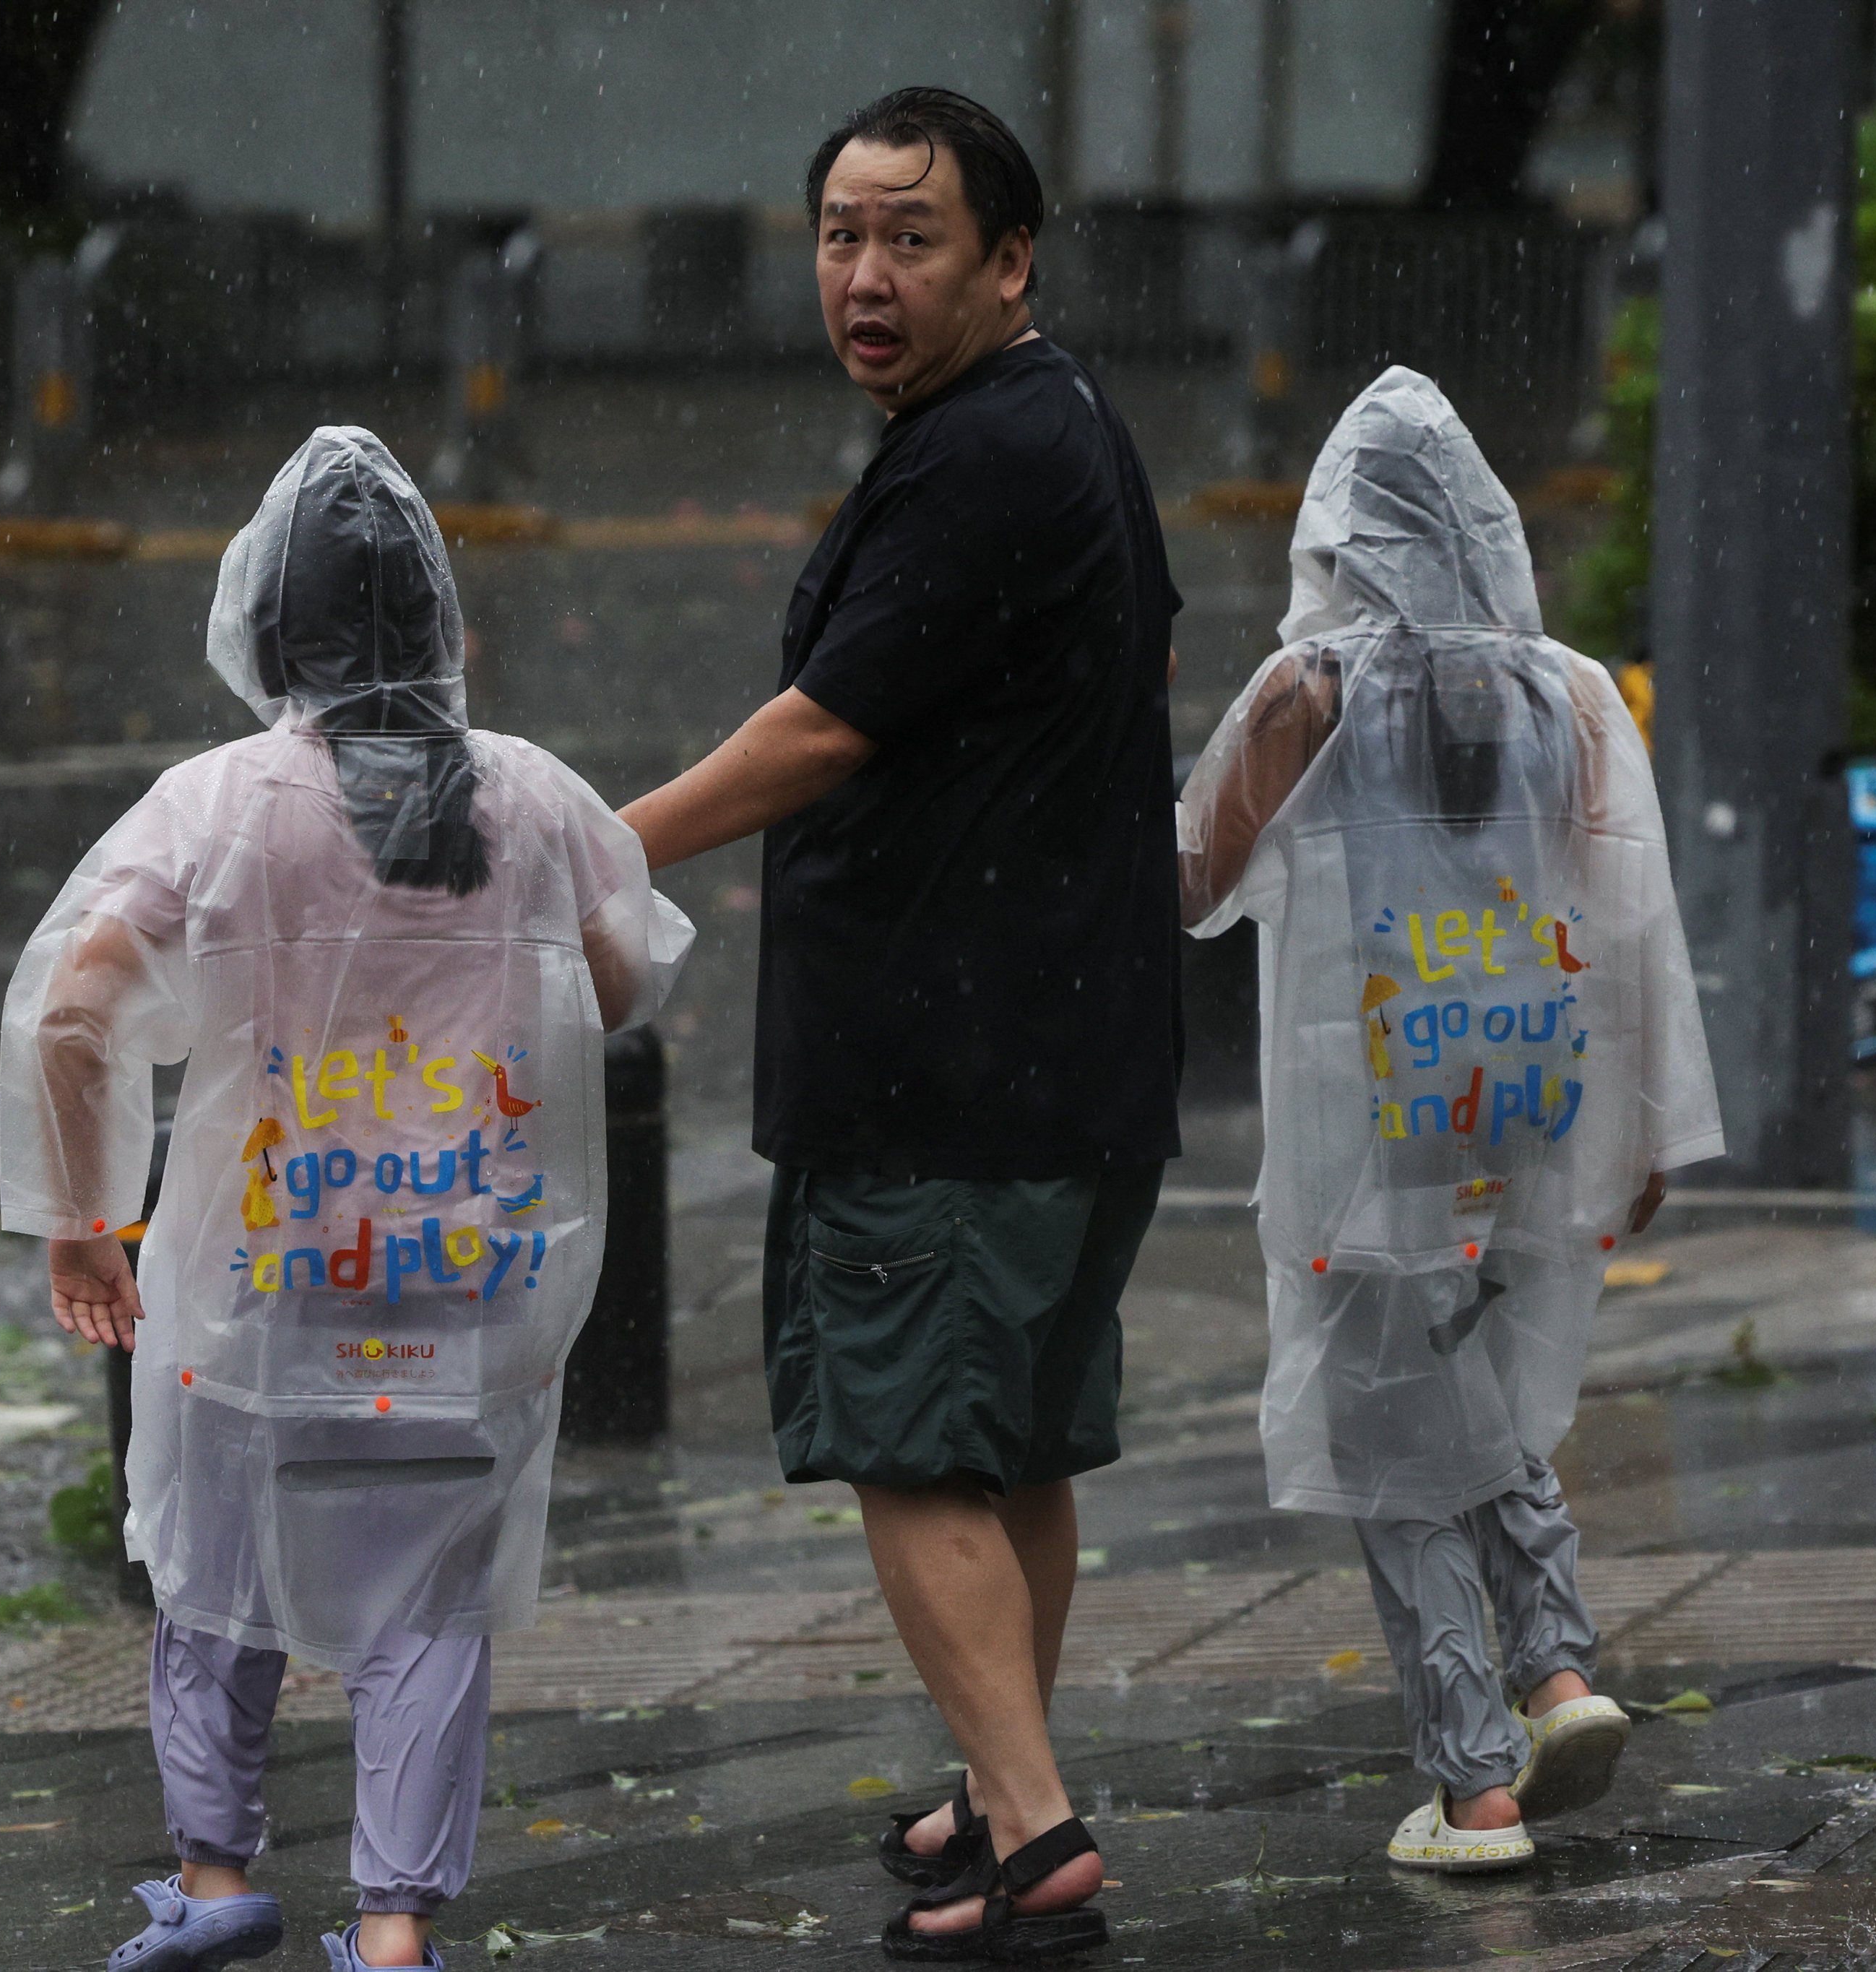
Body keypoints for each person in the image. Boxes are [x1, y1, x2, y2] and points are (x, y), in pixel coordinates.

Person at [1, 427, 691, 1971]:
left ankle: (217, 1871)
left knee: (214, 1558)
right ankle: (391, 1933)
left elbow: (71, 1012)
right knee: (434, 1594)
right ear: (445, 627)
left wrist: (77, 1212)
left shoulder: (216, 805)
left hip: (265, 1263)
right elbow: (621, 976)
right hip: (463, 1259)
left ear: (262, 629)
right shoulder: (530, 796)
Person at [618, 86, 1178, 1963]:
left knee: (921, 1447)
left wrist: (596, 850)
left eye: (911, 238)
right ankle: (995, 1771)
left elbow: (828, 725)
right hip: (1062, 1039)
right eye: (842, 236)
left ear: (1008, 261)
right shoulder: (1053, 420)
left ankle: (1030, 1835)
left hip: (948, 1061)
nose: (865, 275)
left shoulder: (982, 458)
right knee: (1005, 1439)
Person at [1175, 370, 1721, 1873]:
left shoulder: (1308, 692)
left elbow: (1195, 875)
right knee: (1478, 1372)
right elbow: (1630, 920)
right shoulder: (1570, 689)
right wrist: (1648, 1127)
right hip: (1526, 1088)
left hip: (1375, 1108)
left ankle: (1474, 1781)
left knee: (1378, 1428)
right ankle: (1556, 1667)